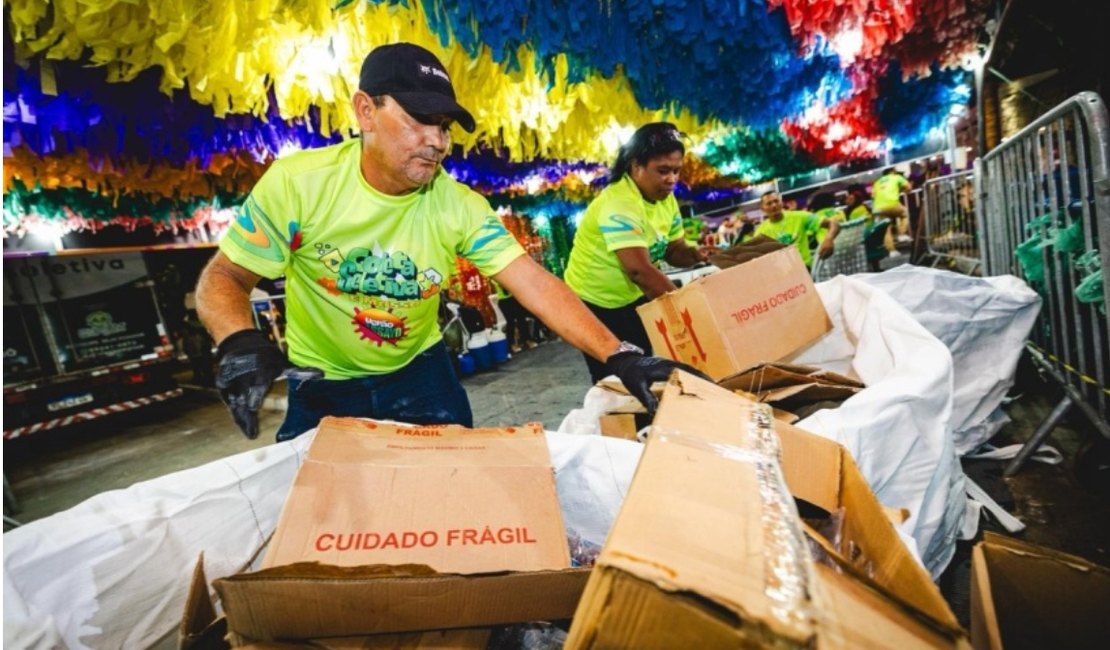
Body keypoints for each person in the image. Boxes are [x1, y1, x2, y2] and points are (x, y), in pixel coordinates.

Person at [195, 43, 700, 440]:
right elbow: (225, 276)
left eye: (442, 126)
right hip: (323, 383)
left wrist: (619, 354)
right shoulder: (297, 184)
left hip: (422, 373)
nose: (435, 140)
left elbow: (532, 282)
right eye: (416, 119)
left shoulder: (457, 203)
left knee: (455, 500)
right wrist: (239, 341)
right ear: (365, 110)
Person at [562, 122, 714, 383]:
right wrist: (689, 310)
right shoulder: (619, 204)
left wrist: (694, 255)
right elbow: (639, 270)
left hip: (630, 296)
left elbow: (672, 249)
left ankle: (647, 417)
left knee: (645, 360)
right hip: (593, 302)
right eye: (663, 170)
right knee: (614, 376)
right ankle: (617, 421)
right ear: (636, 166)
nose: (671, 179)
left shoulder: (665, 199)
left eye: (676, 171)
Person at [751, 191, 841, 269]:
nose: (774, 205)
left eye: (776, 201)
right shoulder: (760, 232)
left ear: (781, 203)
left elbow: (833, 224)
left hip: (804, 268)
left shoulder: (799, 216)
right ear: (763, 208)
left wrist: (829, 239)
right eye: (769, 203)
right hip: (780, 275)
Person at [871, 167, 913, 240]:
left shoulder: (877, 182)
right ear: (893, 171)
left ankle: (892, 251)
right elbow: (909, 188)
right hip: (892, 203)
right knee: (904, 214)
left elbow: (872, 196)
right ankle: (901, 234)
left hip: (877, 207)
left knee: (886, 228)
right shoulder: (896, 177)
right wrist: (900, 190)